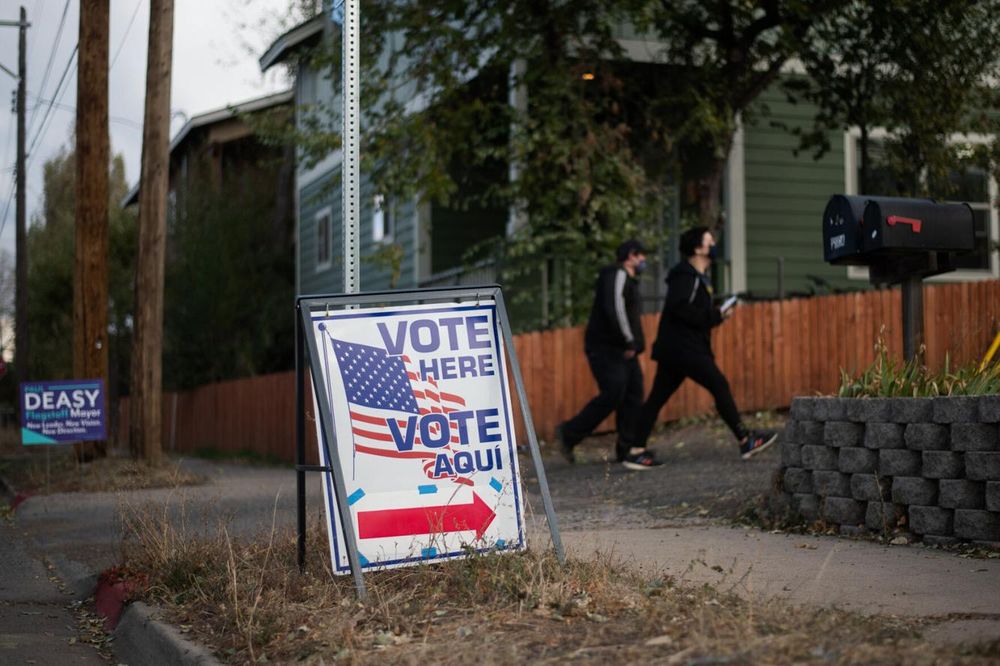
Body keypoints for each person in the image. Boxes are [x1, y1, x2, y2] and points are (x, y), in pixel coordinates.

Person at [629, 227, 778, 461]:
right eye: (710, 241)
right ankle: (745, 439)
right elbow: (681, 309)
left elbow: (690, 311)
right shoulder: (686, 276)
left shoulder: (696, 278)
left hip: (677, 348)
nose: (714, 245)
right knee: (718, 384)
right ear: (698, 249)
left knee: (657, 397)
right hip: (685, 348)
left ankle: (635, 450)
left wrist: (716, 314)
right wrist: (715, 316)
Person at [555, 239, 662, 470]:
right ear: (631, 255)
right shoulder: (617, 275)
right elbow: (615, 308)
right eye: (641, 255)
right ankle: (569, 433)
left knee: (634, 394)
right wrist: (630, 340)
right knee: (614, 392)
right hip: (606, 347)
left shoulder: (629, 279)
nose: (644, 260)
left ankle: (628, 449)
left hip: (624, 349)